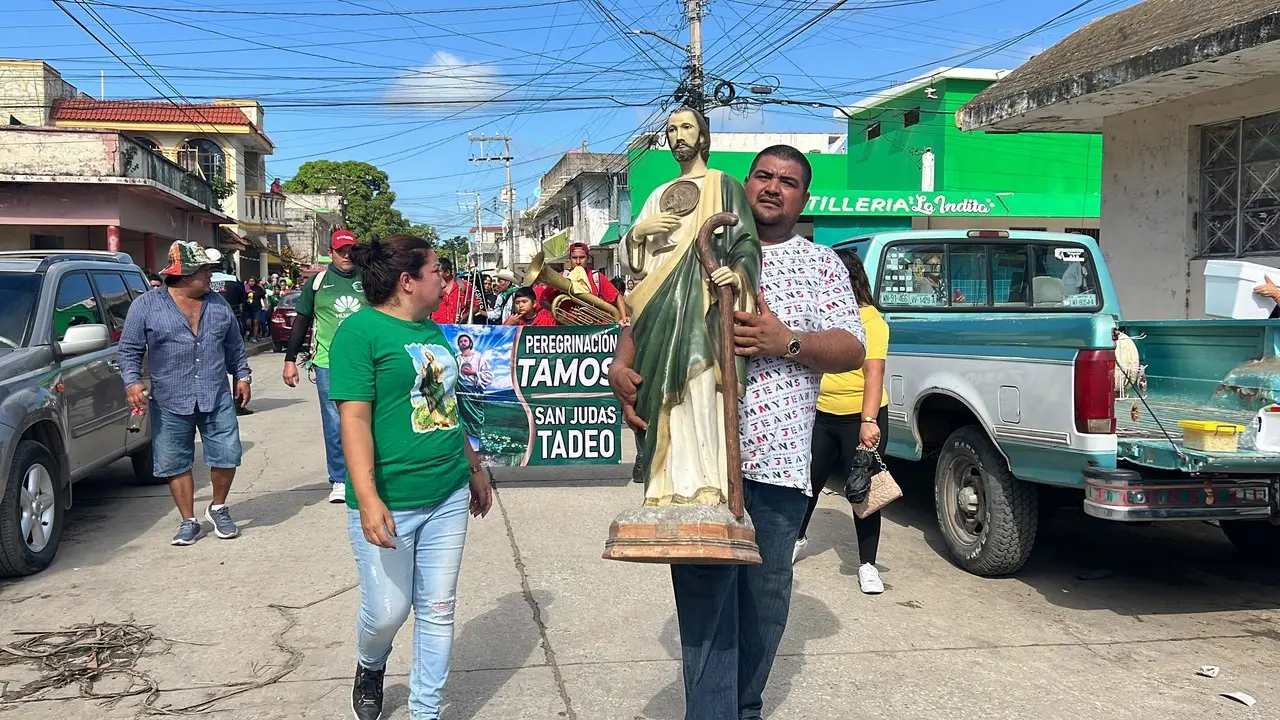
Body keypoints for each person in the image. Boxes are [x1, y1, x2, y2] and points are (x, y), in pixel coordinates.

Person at [610, 144, 865, 720]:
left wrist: (787, 342)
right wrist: (621, 368)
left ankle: (742, 707)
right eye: (764, 176)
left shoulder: (820, 264)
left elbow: (852, 347)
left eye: (789, 182)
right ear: (744, 185)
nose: (774, 187)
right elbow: (639, 319)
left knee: (765, 603)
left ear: (804, 198)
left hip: (776, 463)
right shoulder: (690, 244)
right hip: (696, 469)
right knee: (704, 608)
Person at [328, 234, 493, 720]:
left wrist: (473, 465)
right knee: (387, 612)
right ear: (407, 281)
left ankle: (425, 711)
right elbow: (353, 421)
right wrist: (367, 496)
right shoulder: (359, 334)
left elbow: (447, 406)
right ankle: (370, 663)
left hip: (446, 491)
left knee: (438, 611)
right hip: (391, 498)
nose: (444, 279)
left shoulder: (432, 331)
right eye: (436, 270)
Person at [118, 241, 252, 546]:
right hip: (168, 398)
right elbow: (128, 350)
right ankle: (188, 520)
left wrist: (242, 376)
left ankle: (218, 508)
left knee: (228, 454)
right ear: (184, 274)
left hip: (215, 394)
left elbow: (234, 345)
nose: (210, 277)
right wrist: (132, 381)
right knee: (175, 461)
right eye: (204, 271)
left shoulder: (218, 305)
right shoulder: (146, 306)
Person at [794, 249, 888, 594]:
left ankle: (867, 565)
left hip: (859, 418)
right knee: (808, 484)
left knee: (863, 492)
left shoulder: (869, 320)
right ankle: (797, 539)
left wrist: (868, 420)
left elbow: (874, 370)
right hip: (821, 415)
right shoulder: (821, 316)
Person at [283, 228, 363, 504]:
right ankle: (340, 479)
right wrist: (290, 360)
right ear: (330, 253)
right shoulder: (317, 283)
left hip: (365, 362)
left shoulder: (369, 279)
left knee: (371, 419)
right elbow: (302, 321)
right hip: (328, 362)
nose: (346, 256)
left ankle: (367, 474)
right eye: (340, 251)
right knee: (334, 422)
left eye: (350, 250)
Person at [538, 242, 628, 323]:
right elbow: (543, 300)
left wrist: (623, 318)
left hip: (594, 329)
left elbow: (617, 297)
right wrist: (558, 313)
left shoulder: (597, 277)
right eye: (574, 258)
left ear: (588, 258)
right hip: (566, 330)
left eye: (582, 258)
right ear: (569, 259)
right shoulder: (561, 277)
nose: (578, 262)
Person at [430, 258, 482, 324]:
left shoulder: (464, 285)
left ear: (447, 272)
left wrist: (465, 317)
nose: (436, 274)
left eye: (438, 272)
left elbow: (476, 306)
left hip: (459, 330)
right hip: (438, 330)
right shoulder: (432, 288)